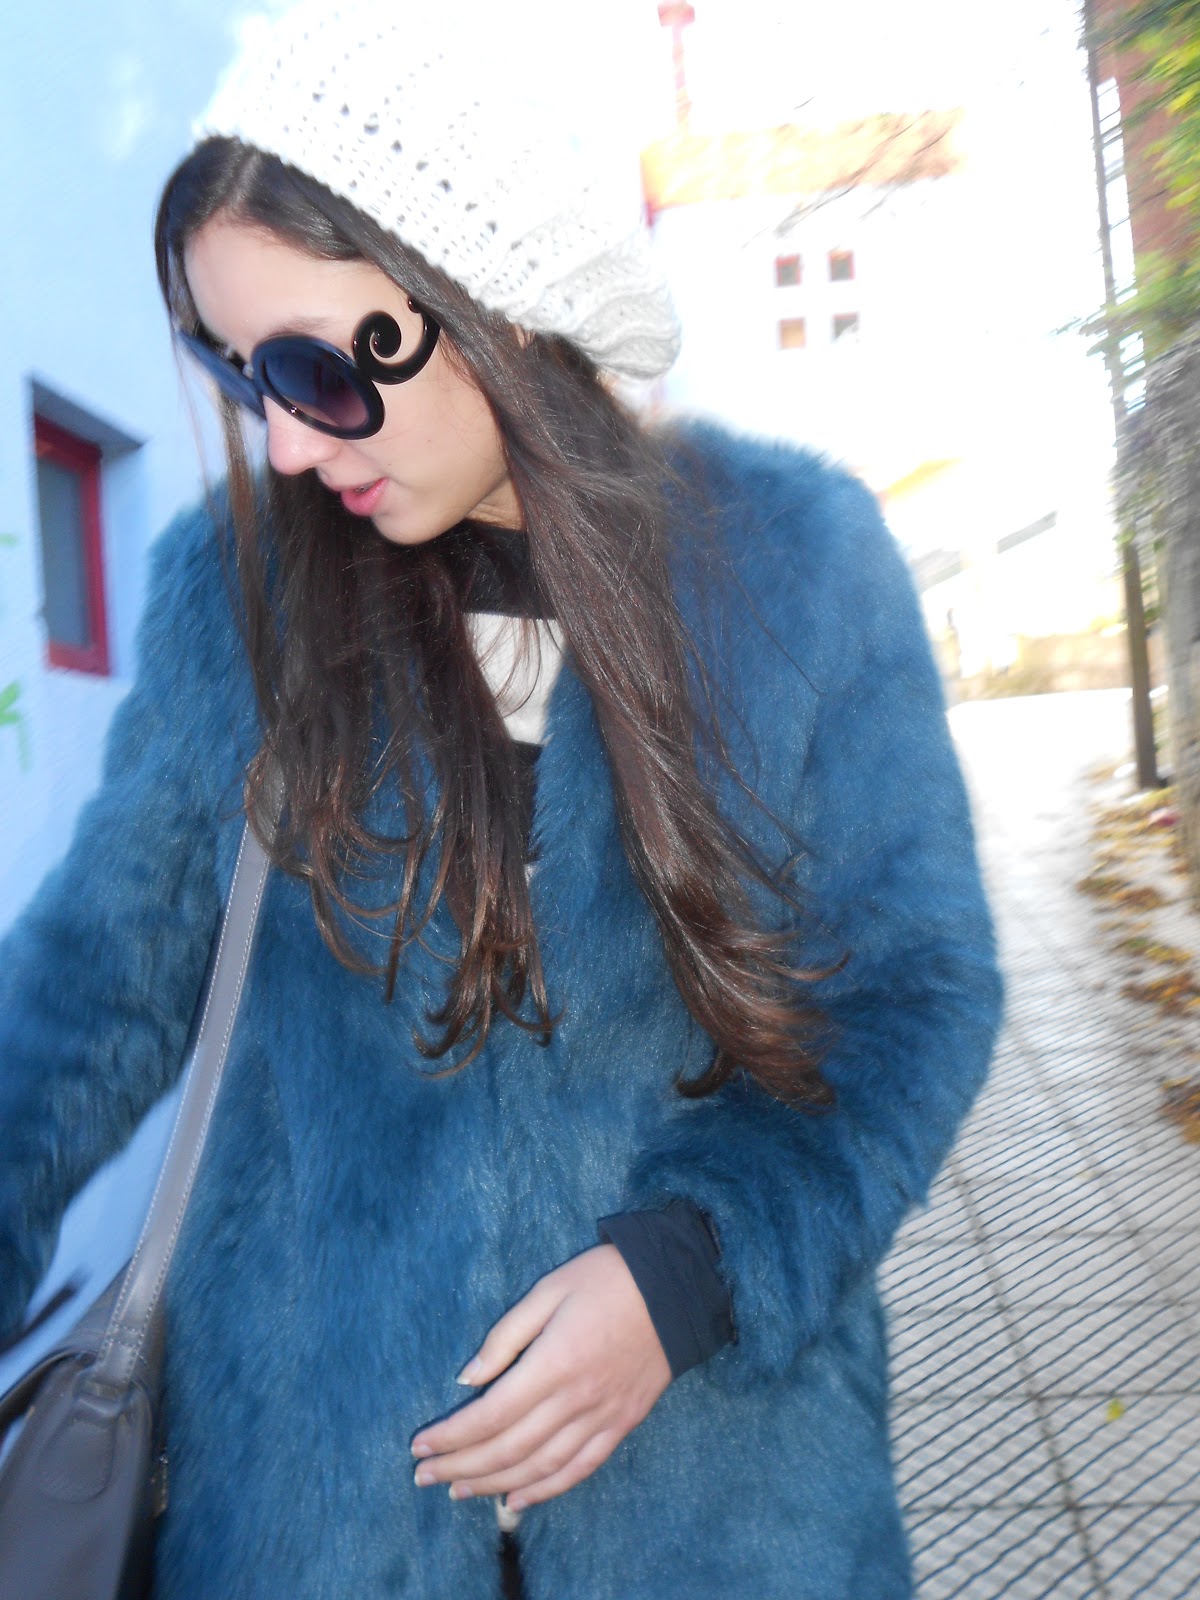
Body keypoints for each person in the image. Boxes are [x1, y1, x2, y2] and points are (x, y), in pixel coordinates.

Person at [0, 3, 1002, 1596]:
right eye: (242, 371)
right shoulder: (239, 599)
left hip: (725, 1518)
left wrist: (689, 1274)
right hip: (318, 1521)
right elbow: (82, 1003)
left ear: (497, 299)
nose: (282, 440)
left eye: (318, 369)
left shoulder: (797, 568)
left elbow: (912, 997)